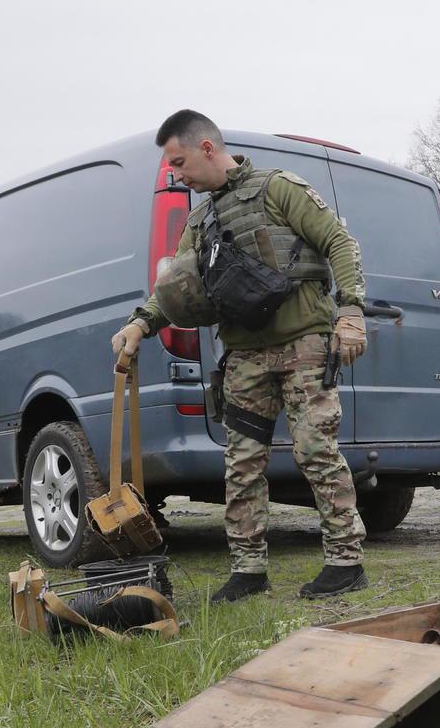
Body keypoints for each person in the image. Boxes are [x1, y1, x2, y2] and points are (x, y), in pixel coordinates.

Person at [112, 109, 372, 603]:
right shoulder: (200, 219)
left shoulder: (279, 189)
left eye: (181, 162)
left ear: (208, 148)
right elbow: (177, 288)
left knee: (316, 453)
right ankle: (248, 570)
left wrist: (351, 310)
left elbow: (339, 242)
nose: (178, 175)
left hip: (304, 347)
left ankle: (345, 561)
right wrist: (140, 323)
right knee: (242, 463)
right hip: (245, 357)